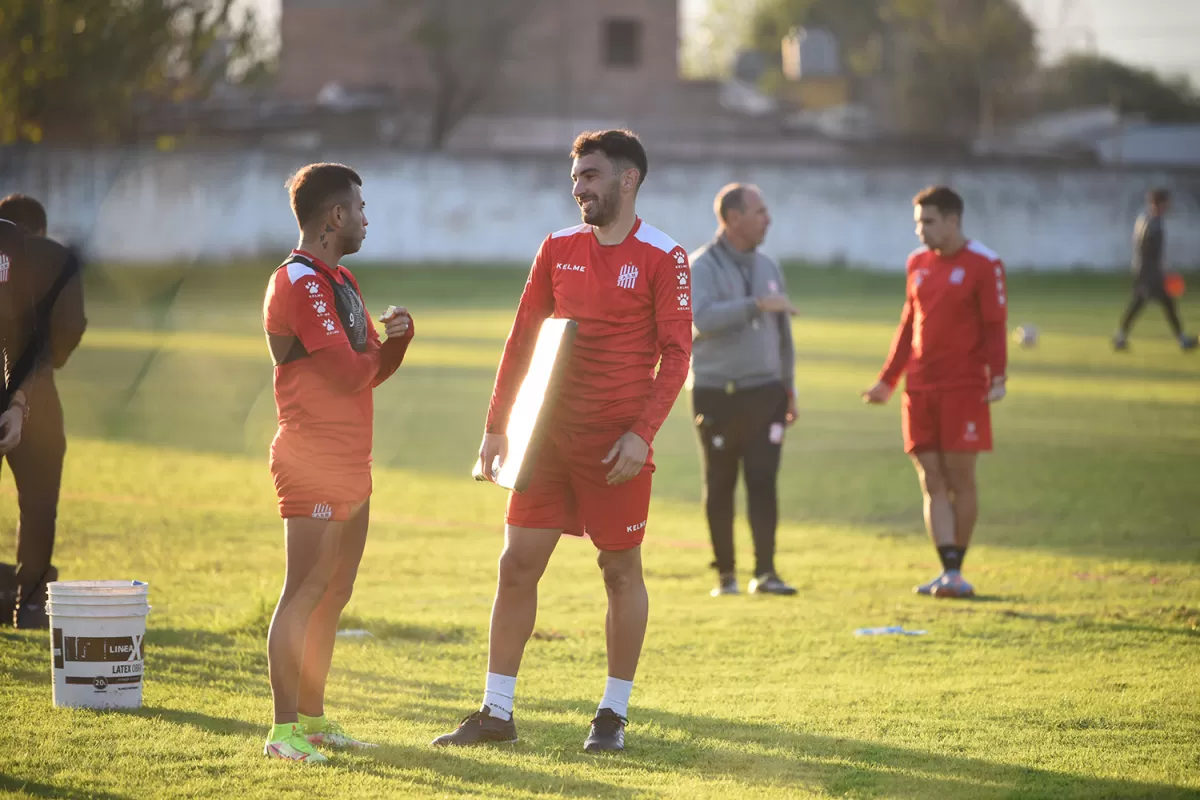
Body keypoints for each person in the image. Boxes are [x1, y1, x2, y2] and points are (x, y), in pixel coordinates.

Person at [432, 130, 692, 753]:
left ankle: (612, 714)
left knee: (619, 570)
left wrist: (640, 434)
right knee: (516, 563)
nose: (579, 187)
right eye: (576, 177)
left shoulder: (664, 255)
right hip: (544, 441)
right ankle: (496, 713)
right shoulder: (556, 247)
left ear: (628, 180)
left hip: (615, 448)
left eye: (591, 176)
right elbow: (522, 339)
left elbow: (677, 356)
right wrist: (497, 428)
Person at [260, 162, 415, 763]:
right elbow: (349, 373)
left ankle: (316, 720)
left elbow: (371, 369)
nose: (366, 218)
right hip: (311, 460)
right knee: (302, 591)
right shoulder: (298, 282)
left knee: (334, 592)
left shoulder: (342, 280)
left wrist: (397, 340)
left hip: (353, 462)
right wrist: (381, 354)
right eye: (360, 207)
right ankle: (283, 732)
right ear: (334, 216)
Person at [861, 186, 1008, 599]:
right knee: (931, 479)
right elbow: (909, 325)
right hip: (920, 387)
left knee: (961, 478)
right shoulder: (917, 264)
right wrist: (888, 380)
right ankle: (948, 572)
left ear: (953, 221)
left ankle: (957, 568)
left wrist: (998, 377)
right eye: (917, 223)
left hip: (964, 387)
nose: (920, 231)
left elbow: (996, 325)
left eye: (928, 222)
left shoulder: (985, 264)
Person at [690, 184, 798, 598]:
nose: (768, 219)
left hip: (766, 393)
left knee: (764, 480)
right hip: (719, 393)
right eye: (760, 211)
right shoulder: (701, 266)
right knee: (719, 483)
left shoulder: (769, 266)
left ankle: (766, 573)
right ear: (734, 218)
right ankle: (726, 577)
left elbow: (783, 332)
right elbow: (700, 318)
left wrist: (789, 388)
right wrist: (755, 305)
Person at [0, 195, 87, 629]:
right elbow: (72, 325)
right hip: (36, 392)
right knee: (38, 502)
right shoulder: (56, 259)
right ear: (40, 230)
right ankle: (30, 604)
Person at [1113, 189, 1197, 352]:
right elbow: (1149, 251)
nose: (1169, 205)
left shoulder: (1144, 219)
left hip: (1144, 271)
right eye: (1167, 202)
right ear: (1161, 203)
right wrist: (1159, 272)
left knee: (1141, 304)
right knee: (1162, 304)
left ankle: (1120, 337)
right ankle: (1182, 340)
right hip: (1150, 274)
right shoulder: (1154, 223)